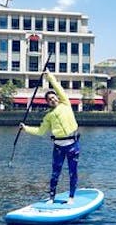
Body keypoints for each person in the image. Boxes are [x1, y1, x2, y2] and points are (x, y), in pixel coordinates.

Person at [20, 67, 80, 204]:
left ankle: (71, 197)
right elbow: (40, 131)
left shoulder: (65, 103)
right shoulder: (48, 116)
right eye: (50, 99)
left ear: (57, 98)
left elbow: (58, 87)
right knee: (55, 173)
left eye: (53, 97)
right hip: (58, 147)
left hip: (73, 145)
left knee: (73, 172)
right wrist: (25, 128)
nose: (52, 99)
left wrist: (49, 76)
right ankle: (52, 197)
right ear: (47, 102)